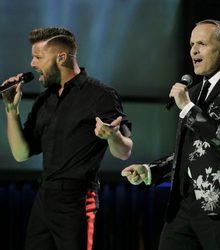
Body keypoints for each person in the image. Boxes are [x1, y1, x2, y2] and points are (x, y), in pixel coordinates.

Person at [121, 19, 220, 250]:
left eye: (201, 43)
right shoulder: (194, 92)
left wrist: (189, 108)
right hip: (182, 207)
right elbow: (192, 151)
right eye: (191, 44)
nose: (193, 50)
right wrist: (151, 171)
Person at [2, 27, 133, 250]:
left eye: (38, 57)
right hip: (44, 197)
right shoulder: (45, 100)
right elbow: (21, 154)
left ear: (61, 57)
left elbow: (124, 151)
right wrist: (11, 112)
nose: (32, 64)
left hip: (77, 198)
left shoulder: (100, 95)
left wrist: (112, 136)